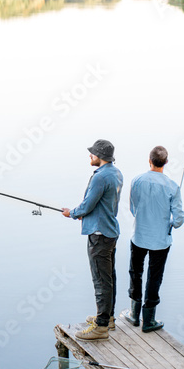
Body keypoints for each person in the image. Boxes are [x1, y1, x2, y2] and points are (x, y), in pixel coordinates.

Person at [62, 139, 123, 341]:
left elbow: (88, 205)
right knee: (109, 278)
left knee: (100, 280)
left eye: (93, 153)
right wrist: (82, 212)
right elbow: (101, 203)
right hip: (110, 231)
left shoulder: (100, 177)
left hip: (99, 235)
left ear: (99, 156)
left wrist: (73, 213)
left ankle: (101, 326)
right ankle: (108, 317)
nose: (90, 156)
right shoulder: (116, 173)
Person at [121, 145, 184, 333]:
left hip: (139, 236)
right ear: (165, 163)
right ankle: (148, 320)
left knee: (136, 272)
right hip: (160, 241)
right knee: (154, 277)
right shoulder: (173, 186)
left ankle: (133, 315)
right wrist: (171, 224)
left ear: (149, 161)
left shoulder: (137, 180)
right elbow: (179, 218)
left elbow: (133, 209)